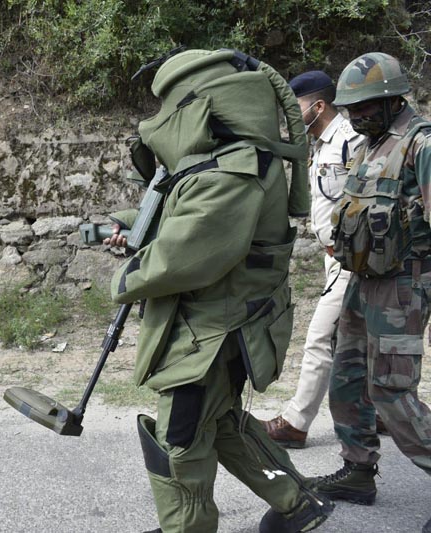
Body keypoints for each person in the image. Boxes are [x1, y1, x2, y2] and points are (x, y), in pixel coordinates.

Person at [105, 48, 333, 533]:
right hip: (222, 323)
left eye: (170, 105)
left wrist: (126, 278)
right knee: (220, 421)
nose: (161, 118)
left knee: (181, 435)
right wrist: (132, 225)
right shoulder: (229, 162)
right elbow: (187, 216)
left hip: (212, 331)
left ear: (202, 103)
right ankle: (297, 502)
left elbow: (186, 254)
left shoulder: (234, 170)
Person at [311, 52, 431, 530]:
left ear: (391, 100)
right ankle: (358, 470)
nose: (355, 116)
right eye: (351, 108)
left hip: (403, 285)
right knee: (347, 374)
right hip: (363, 282)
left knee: (390, 389)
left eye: (364, 107)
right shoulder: (368, 144)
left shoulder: (421, 144)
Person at [264, 71, 364, 448]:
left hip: (352, 261)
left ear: (318, 107)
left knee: (321, 337)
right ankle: (382, 413)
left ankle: (296, 422)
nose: (293, 116)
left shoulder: (351, 140)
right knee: (356, 340)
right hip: (332, 259)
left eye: (298, 108)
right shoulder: (320, 144)